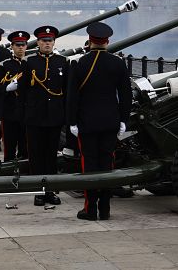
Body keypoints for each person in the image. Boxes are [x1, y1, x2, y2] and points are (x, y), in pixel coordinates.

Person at [67, 21, 132, 221]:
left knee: (89, 166)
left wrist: (72, 122)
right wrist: (123, 120)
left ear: (89, 41)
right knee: (107, 164)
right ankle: (105, 209)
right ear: (107, 41)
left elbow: (72, 97)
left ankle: (90, 209)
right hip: (110, 123)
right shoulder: (118, 63)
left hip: (87, 124)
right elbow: (126, 94)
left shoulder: (79, 64)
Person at [18, 25, 68, 206]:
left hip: (54, 117)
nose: (47, 43)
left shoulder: (63, 62)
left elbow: (67, 91)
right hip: (35, 116)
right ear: (38, 42)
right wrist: (24, 114)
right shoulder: (29, 62)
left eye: (50, 41)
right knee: (36, 156)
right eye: (44, 41)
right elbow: (22, 91)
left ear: (54, 42)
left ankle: (51, 191)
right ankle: (38, 192)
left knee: (51, 156)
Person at [0, 30, 29, 162]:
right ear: (12, 46)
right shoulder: (4, 65)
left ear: (26, 46)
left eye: (23, 45)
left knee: (25, 146)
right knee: (9, 147)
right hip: (10, 110)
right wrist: (6, 88)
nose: (20, 47)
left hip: (27, 110)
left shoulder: (31, 63)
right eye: (18, 45)